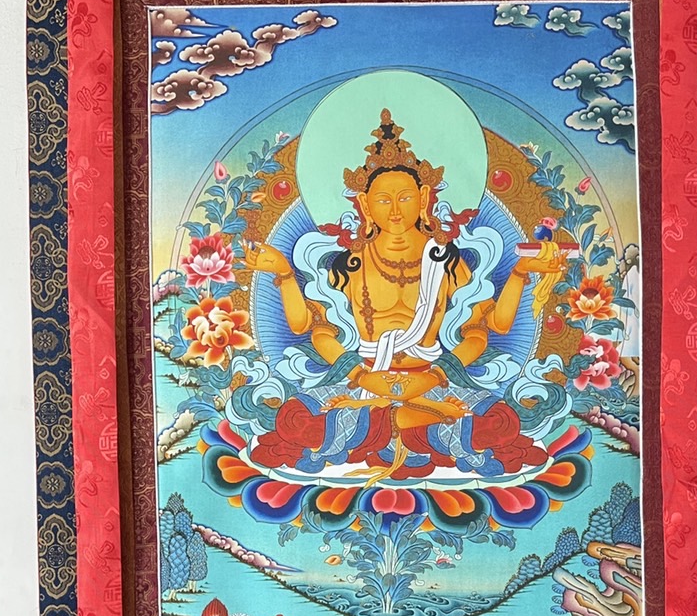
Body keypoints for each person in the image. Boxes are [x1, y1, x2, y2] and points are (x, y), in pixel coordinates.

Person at [240, 109, 566, 437]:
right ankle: (410, 417)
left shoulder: (446, 261)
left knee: (501, 421)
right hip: (365, 379)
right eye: (383, 200)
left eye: (405, 198)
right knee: (294, 419)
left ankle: (397, 417)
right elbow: (313, 329)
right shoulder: (350, 263)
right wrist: (284, 274)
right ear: (365, 205)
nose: (395, 210)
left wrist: (520, 273)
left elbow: (488, 328)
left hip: (432, 380)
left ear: (423, 199)